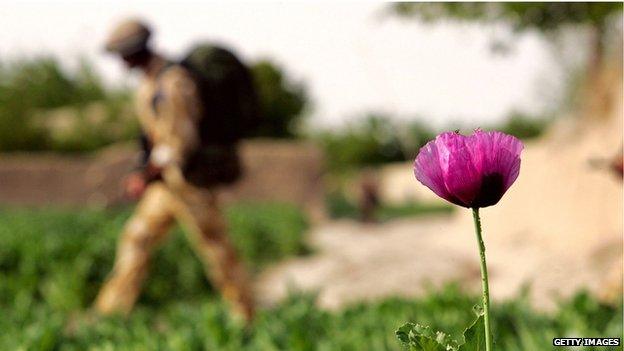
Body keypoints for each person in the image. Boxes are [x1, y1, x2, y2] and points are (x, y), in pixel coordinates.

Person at [94, 19, 255, 321]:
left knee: (217, 250)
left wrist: (146, 175)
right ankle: (110, 314)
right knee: (136, 239)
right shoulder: (150, 82)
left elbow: (180, 141)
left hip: (189, 183)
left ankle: (245, 315)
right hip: (167, 185)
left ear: (134, 52)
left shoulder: (173, 82)